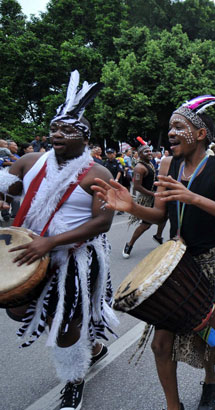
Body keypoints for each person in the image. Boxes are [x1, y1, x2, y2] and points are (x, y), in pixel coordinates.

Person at [92, 94, 215, 410]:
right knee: (161, 344)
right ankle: (173, 405)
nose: (172, 133)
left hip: (208, 261)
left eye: (180, 127)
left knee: (208, 335)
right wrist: (132, 205)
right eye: (170, 127)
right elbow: (161, 215)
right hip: (174, 264)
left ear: (200, 134)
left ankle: (210, 379)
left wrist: (195, 198)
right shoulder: (167, 164)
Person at [0, 70, 116, 410]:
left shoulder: (99, 174)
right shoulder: (31, 162)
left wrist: (51, 243)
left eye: (68, 129)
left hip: (75, 259)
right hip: (32, 254)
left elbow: (104, 221)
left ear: (85, 136)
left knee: (65, 323)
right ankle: (92, 348)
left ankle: (73, 380)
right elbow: (9, 187)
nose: (58, 134)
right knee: (20, 309)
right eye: (54, 128)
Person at [122, 144, 167, 258]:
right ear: (140, 154)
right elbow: (137, 187)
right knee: (146, 224)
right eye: (146, 152)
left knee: (163, 217)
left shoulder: (150, 163)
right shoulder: (139, 168)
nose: (149, 153)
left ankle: (158, 236)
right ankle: (129, 244)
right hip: (148, 198)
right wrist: (153, 194)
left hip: (156, 196)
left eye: (149, 151)